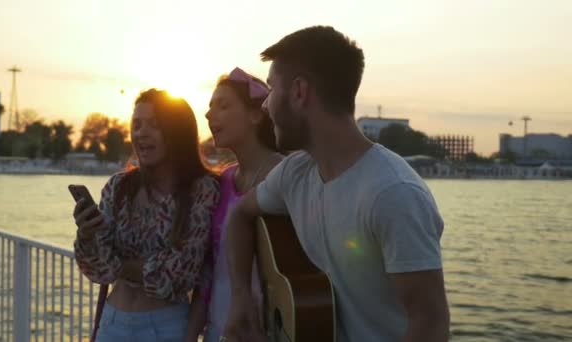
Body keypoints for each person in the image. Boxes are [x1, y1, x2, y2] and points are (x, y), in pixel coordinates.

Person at [222, 26, 450, 342]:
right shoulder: (294, 175)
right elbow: (239, 216)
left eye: (272, 90)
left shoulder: (393, 194)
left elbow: (430, 325)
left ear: (300, 92)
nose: (264, 105)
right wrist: (241, 297)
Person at [73, 89, 220, 341]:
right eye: (137, 124)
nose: (141, 132)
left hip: (165, 327)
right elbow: (100, 271)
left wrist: (119, 265)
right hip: (112, 323)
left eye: (155, 125)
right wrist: (86, 235)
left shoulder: (201, 190)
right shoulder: (118, 187)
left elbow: (179, 274)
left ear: (177, 132)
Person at [185, 67, 283, 342]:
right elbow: (209, 269)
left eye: (223, 105)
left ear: (255, 114)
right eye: (209, 106)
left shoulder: (286, 178)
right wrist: (191, 333)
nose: (208, 114)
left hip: (270, 330)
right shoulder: (224, 180)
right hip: (220, 329)